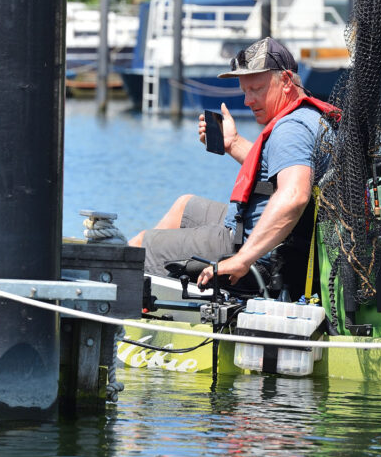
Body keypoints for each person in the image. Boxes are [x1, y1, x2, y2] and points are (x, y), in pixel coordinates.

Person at [128, 37, 338, 292]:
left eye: (256, 89)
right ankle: (159, 283)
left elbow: (294, 196)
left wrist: (242, 258)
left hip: (247, 246)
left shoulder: (291, 130)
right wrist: (233, 143)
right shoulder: (307, 117)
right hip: (246, 222)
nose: (248, 100)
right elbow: (279, 168)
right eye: (244, 91)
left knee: (139, 246)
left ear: (285, 81)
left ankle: (137, 293)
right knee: (184, 206)